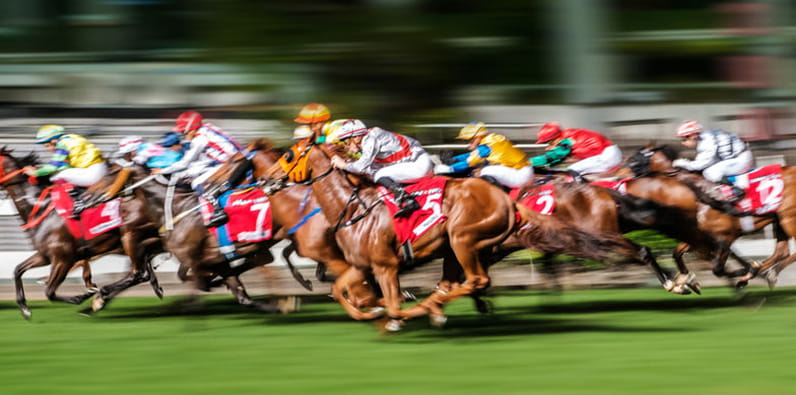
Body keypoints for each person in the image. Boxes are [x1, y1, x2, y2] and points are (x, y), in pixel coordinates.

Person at [152, 110, 244, 227]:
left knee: (197, 182)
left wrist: (162, 171)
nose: (183, 135)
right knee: (194, 173)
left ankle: (218, 211)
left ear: (191, 129)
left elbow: (184, 163)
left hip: (229, 164)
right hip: (230, 159)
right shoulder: (208, 128)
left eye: (183, 132)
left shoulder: (199, 140)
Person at [326, 119, 433, 218]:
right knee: (376, 176)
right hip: (415, 163)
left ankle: (407, 200)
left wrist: (344, 164)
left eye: (346, 142)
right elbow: (369, 169)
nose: (346, 147)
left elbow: (361, 167)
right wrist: (347, 163)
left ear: (357, 138)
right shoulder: (370, 141)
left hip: (420, 164)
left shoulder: (371, 138)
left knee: (379, 175)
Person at [23, 124, 107, 217]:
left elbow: (53, 166)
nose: (48, 149)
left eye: (47, 146)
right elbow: (65, 166)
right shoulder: (71, 138)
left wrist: (35, 172)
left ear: (53, 140)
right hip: (99, 168)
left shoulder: (62, 144)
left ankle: (79, 201)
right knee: (63, 173)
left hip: (93, 172)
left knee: (55, 177)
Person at [434, 121, 532, 190]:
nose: (469, 143)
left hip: (521, 175)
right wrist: (454, 159)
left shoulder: (488, 144)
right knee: (482, 171)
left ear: (478, 137)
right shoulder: (489, 141)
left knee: (484, 171)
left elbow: (469, 162)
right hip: (520, 171)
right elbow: (471, 155)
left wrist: (449, 169)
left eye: (470, 140)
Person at [671, 120, 752, 202]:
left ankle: (737, 191)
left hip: (741, 159)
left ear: (693, 136)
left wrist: (681, 163)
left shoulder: (706, 141)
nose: (682, 143)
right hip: (739, 157)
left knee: (709, 172)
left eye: (684, 139)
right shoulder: (705, 137)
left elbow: (699, 165)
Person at [529, 122, 622, 182]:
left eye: (549, 142)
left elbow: (552, 157)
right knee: (570, 170)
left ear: (556, 138)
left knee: (573, 169)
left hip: (608, 156)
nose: (547, 145)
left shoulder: (567, 140)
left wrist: (528, 162)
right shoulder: (568, 135)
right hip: (609, 152)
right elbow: (556, 160)